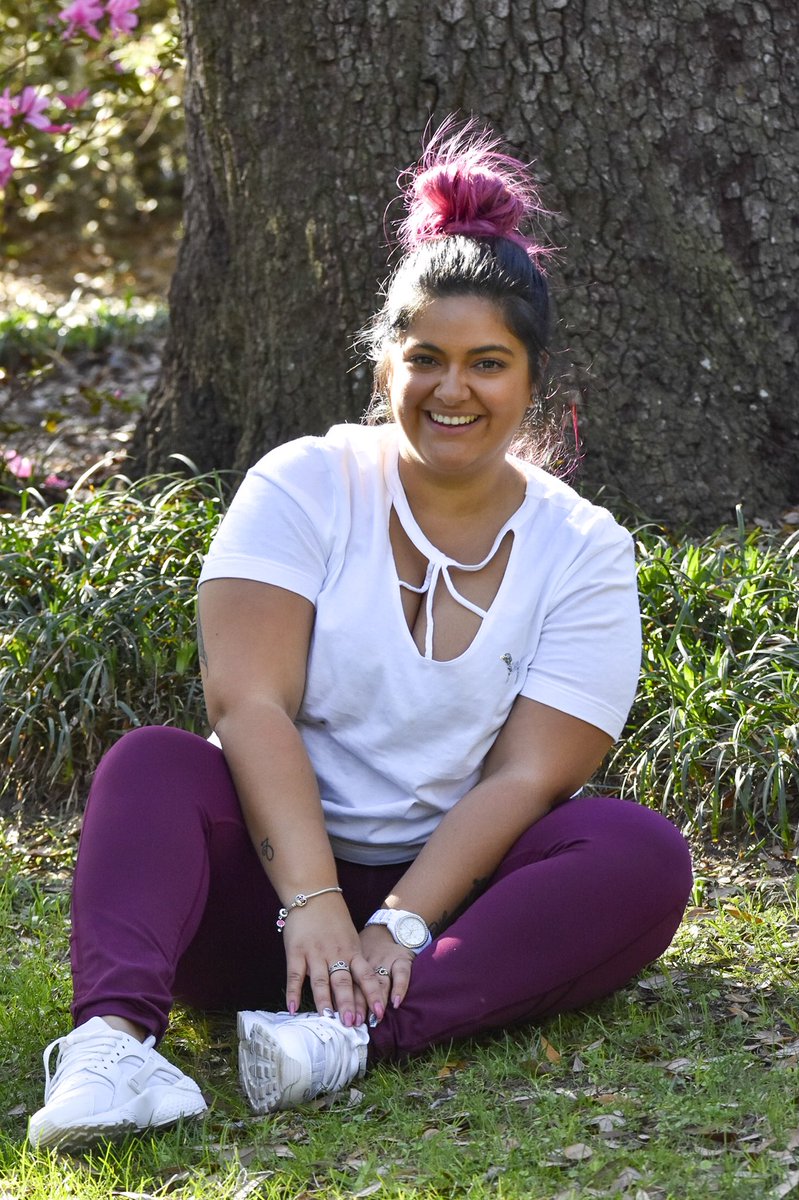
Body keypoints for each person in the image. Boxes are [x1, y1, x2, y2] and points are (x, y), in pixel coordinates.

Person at [28, 120, 692, 1151]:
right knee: (152, 765)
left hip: (449, 918)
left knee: (638, 853)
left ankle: (340, 1041)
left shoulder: (583, 548)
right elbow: (248, 703)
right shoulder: (304, 483)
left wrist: (397, 924)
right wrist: (313, 900)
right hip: (262, 892)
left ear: (531, 380)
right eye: (425, 358)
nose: (452, 390)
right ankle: (112, 1049)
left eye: (487, 363)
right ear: (385, 366)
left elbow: (526, 777)